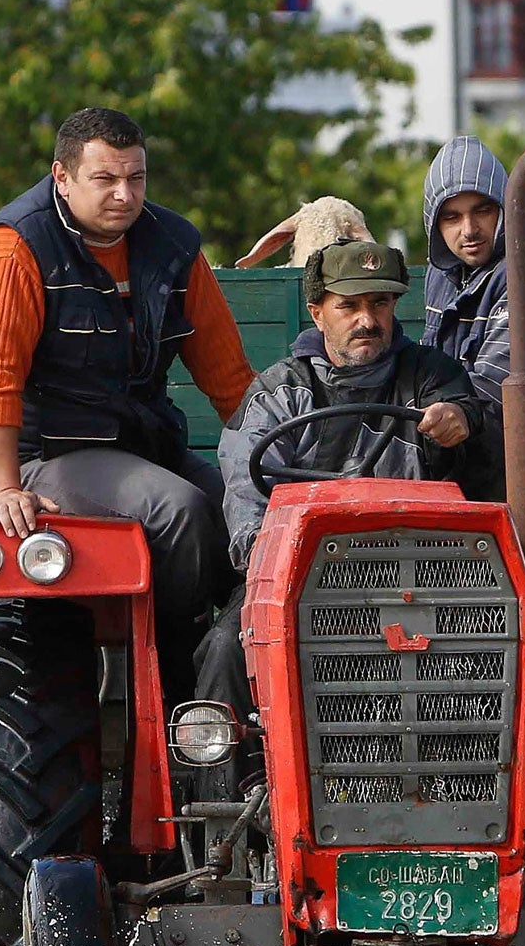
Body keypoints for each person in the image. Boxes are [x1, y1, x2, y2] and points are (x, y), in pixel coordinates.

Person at [0, 106, 256, 686]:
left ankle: (246, 657)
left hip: (141, 444)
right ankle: (179, 685)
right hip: (48, 454)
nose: (124, 195)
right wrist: (2, 488)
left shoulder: (173, 247)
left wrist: (284, 476)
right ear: (62, 178)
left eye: (136, 178)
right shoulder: (12, 249)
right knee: (183, 512)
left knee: (261, 514)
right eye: (105, 179)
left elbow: (231, 381)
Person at [196, 240, 499, 717]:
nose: (367, 320)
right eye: (350, 306)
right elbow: (245, 484)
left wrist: (457, 421)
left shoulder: (430, 375)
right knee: (224, 649)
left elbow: (466, 421)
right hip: (300, 574)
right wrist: (268, 566)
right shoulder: (280, 391)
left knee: (490, 642)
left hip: (419, 575)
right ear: (317, 314)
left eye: (379, 303)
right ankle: (232, 779)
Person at [420, 135, 525, 407]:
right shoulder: (444, 267)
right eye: (452, 217)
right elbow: (424, 370)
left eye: (482, 211)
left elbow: (493, 392)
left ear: (505, 206)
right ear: (434, 223)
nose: (469, 230)